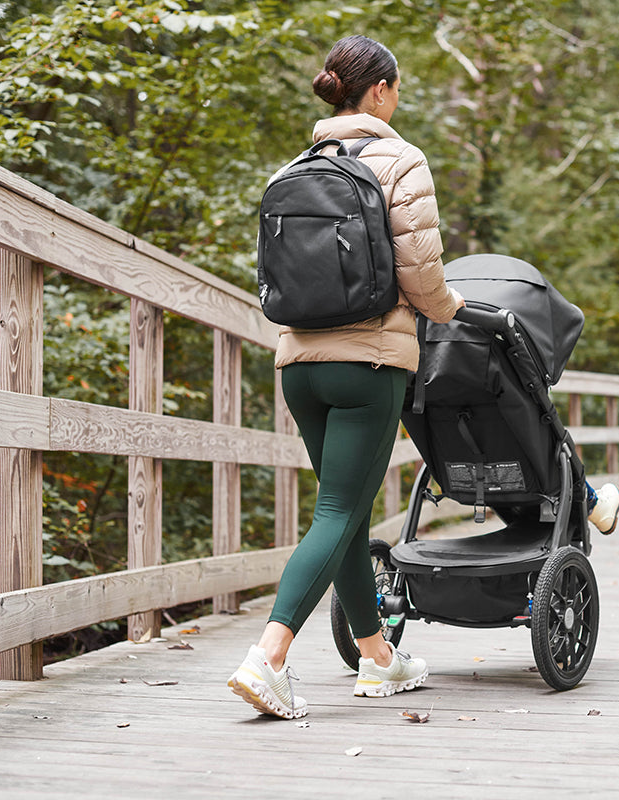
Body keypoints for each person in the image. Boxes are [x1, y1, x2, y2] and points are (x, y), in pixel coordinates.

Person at [227, 35, 465, 720]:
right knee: (337, 511)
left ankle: (380, 658)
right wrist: (453, 310)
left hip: (300, 365)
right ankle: (267, 659)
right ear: (382, 91)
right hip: (369, 363)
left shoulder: (291, 169)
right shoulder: (401, 158)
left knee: (348, 511)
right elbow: (421, 278)